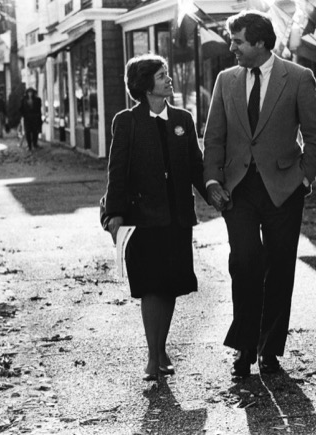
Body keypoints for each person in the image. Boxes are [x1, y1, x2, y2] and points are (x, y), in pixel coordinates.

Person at [203, 10, 316, 378]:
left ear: (259, 42)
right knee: (243, 263)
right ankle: (244, 346)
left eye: (237, 40)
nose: (231, 47)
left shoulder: (299, 78)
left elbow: (314, 135)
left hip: (284, 189)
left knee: (280, 267)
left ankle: (270, 348)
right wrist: (211, 182)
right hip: (237, 190)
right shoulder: (226, 81)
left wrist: (304, 178)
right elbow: (214, 139)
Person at [102, 54, 208, 381]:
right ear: (147, 85)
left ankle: (161, 348)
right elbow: (117, 172)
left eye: (167, 74)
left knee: (171, 286)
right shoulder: (126, 121)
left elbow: (195, 166)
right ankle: (152, 357)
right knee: (151, 287)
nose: (169, 79)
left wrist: (215, 193)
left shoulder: (183, 119)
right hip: (143, 219)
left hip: (177, 218)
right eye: (162, 75)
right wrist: (114, 213)